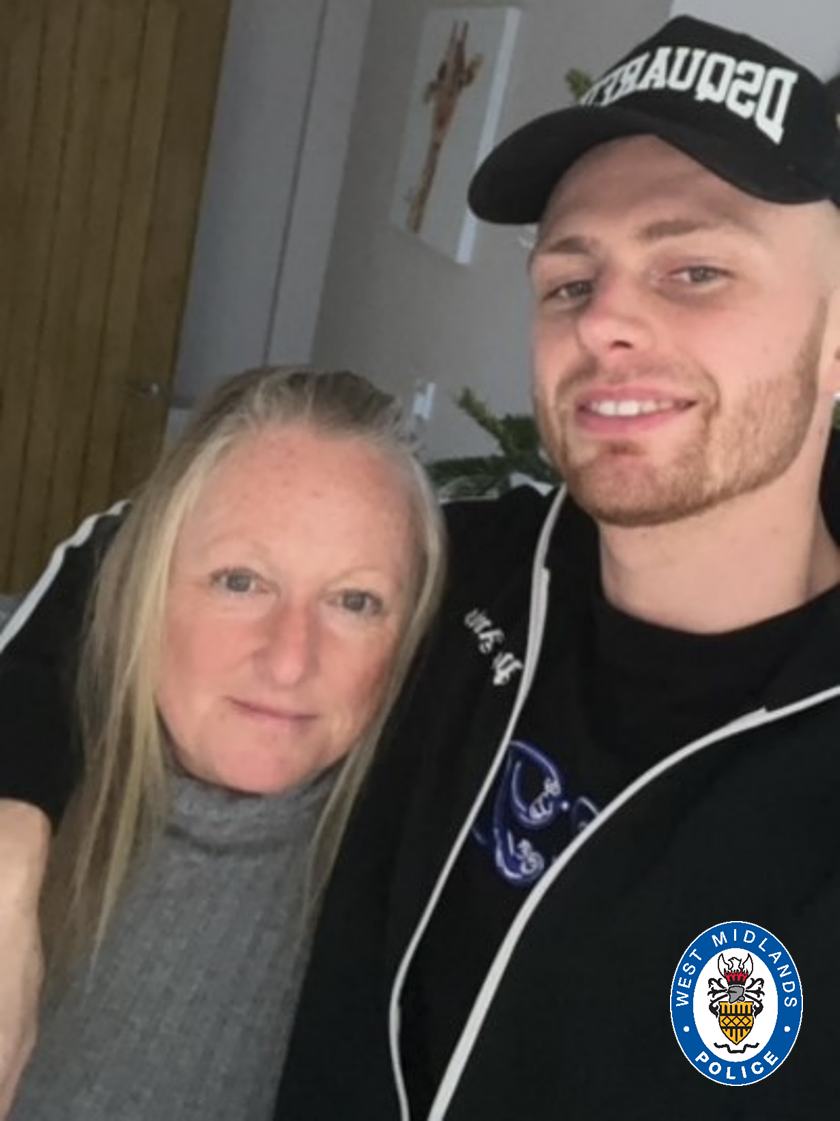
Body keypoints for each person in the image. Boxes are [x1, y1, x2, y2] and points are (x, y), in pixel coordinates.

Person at [2, 13, 840, 1119]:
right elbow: (140, 548)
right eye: (570, 280)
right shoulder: (467, 579)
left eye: (695, 269)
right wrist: (12, 844)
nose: (610, 323)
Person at [0, 365, 445, 1120]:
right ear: (146, 584)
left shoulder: (423, 887)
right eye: (239, 581)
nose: (289, 657)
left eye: (355, 600)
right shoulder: (40, 790)